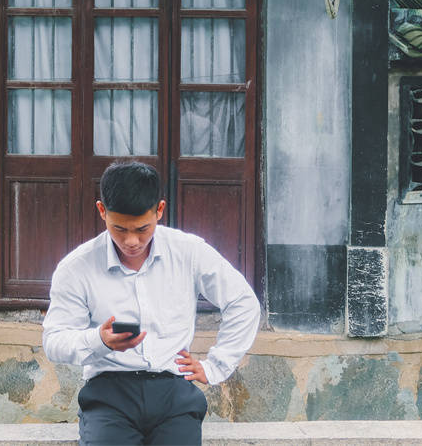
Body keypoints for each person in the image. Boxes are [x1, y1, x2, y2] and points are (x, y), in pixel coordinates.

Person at [42, 161, 260, 446]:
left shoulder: (188, 251)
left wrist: (215, 366)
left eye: (142, 229)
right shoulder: (77, 267)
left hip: (173, 393)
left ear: (159, 210)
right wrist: (99, 340)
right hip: (108, 395)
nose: (131, 241)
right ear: (102, 211)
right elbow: (54, 341)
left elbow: (243, 302)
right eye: (119, 229)